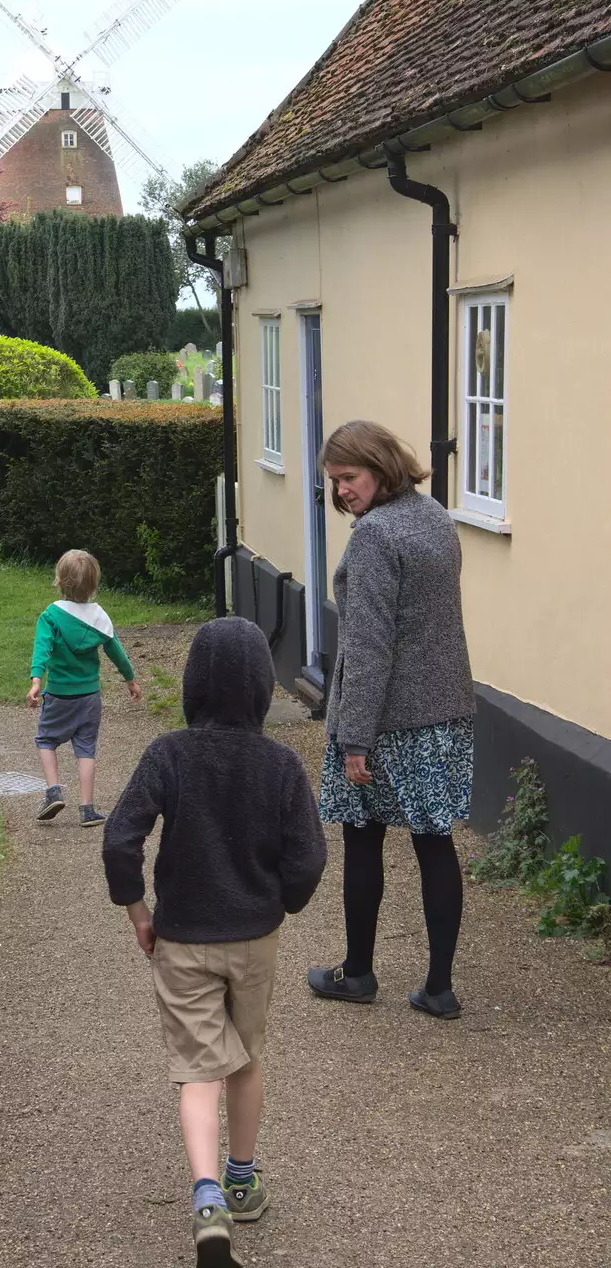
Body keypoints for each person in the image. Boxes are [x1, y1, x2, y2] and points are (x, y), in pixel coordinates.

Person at [103, 617, 326, 1268]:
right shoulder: (282, 764)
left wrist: (138, 911)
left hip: (181, 939)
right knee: (246, 1058)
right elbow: (308, 859)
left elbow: (120, 839)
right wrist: (280, 903)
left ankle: (206, 1201)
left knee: (198, 1074)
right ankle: (241, 1178)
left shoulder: (167, 755)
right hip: (254, 937)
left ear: (194, 683)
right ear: (262, 688)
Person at [307, 419, 475, 1021]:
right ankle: (439, 987)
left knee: (361, 836)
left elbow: (371, 644)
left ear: (379, 467)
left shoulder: (376, 535)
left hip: (387, 719)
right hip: (444, 711)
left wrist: (354, 738)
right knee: (435, 842)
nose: (342, 492)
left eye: (349, 478)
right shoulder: (433, 516)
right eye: (334, 482)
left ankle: (357, 974)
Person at [28, 548, 141, 827]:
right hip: (90, 696)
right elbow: (117, 652)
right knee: (86, 748)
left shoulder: (51, 616)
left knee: (46, 740)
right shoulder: (99, 618)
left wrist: (36, 680)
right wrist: (130, 679)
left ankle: (53, 791)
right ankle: (87, 809)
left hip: (60, 694)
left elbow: (42, 649)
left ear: (59, 581)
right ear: (94, 585)